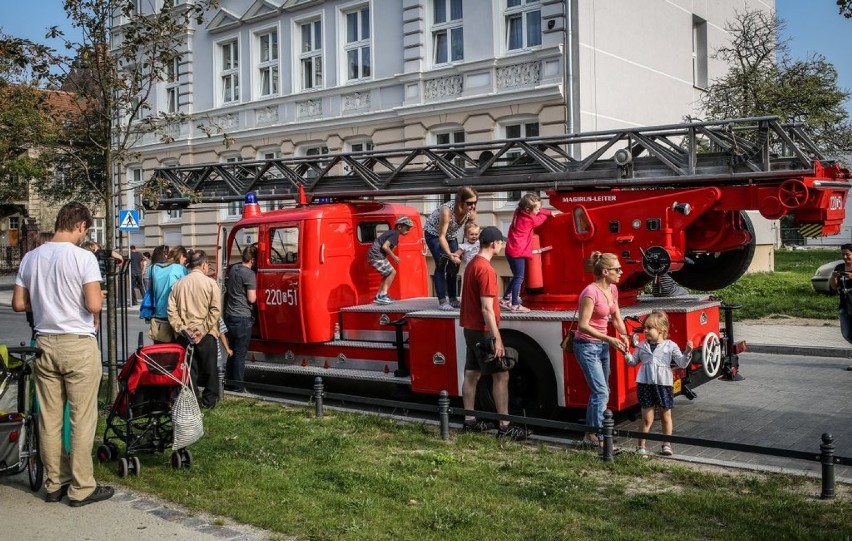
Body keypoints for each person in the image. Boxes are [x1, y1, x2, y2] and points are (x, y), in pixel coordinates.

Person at [12, 202, 114, 506]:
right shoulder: (83, 257)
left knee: (50, 418)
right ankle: (82, 486)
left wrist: (46, 304)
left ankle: (54, 482)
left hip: (44, 342)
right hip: (77, 342)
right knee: (82, 418)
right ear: (81, 226)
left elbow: (19, 304)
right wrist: (93, 297)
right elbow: (94, 305)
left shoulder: (31, 257)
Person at [459, 226, 530, 440]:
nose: (502, 245)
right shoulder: (487, 270)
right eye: (501, 242)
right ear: (494, 244)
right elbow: (486, 308)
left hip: (470, 329)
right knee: (501, 375)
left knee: (471, 375)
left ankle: (469, 421)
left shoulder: (472, 264)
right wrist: (496, 338)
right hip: (483, 331)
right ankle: (505, 427)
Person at [573, 251, 630, 453]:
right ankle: (599, 437)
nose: (621, 272)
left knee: (601, 391)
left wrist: (624, 335)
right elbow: (583, 325)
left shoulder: (612, 289)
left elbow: (616, 317)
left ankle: (590, 435)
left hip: (603, 345)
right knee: (601, 391)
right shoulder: (590, 292)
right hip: (587, 345)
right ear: (605, 272)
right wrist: (608, 338)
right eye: (617, 269)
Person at [625, 310, 693, 457]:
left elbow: (681, 363)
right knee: (647, 418)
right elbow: (632, 362)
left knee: (665, 416)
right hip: (645, 385)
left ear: (662, 330)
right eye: (645, 327)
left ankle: (666, 444)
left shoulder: (670, 345)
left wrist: (687, 352)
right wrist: (625, 352)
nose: (645, 331)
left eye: (649, 328)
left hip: (664, 385)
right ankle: (641, 447)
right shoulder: (642, 345)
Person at [168, 250, 222, 409]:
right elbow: (216, 310)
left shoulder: (178, 285)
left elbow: (171, 312)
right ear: (204, 265)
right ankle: (209, 401)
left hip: (185, 335)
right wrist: (203, 329)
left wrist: (183, 329)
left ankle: (193, 401)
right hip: (206, 334)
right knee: (211, 369)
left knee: (189, 371)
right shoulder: (211, 284)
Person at [423, 186, 478, 310]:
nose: (473, 206)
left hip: (450, 235)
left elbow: (469, 230)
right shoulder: (447, 211)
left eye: (475, 202)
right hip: (434, 234)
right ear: (460, 201)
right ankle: (442, 301)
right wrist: (449, 253)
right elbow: (441, 236)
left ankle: (453, 298)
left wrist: (467, 247)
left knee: (455, 264)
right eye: (469, 203)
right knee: (441, 263)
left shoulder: (471, 213)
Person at [501, 193, 552, 313]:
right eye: (537, 209)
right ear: (528, 210)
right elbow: (540, 220)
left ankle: (505, 299)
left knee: (516, 277)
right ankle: (515, 305)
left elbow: (537, 213)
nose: (539, 210)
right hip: (518, 253)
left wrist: (540, 210)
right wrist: (549, 214)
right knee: (519, 278)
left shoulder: (518, 212)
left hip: (510, 251)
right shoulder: (528, 220)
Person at [224, 245, 257, 393]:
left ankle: (228, 381)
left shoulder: (234, 269)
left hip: (230, 315)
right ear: (252, 260)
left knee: (231, 351)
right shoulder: (249, 274)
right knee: (239, 353)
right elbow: (251, 298)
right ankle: (238, 386)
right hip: (243, 317)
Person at [366, 216, 414, 304]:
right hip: (376, 255)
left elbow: (388, 248)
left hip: (374, 255)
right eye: (407, 228)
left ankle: (379, 296)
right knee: (392, 272)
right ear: (399, 227)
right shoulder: (394, 234)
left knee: (387, 273)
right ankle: (383, 295)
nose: (408, 231)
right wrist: (394, 257)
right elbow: (385, 246)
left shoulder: (393, 234)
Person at [148, 245, 188, 343]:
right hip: (175, 316)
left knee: (160, 351)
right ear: (181, 256)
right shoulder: (180, 269)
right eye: (185, 259)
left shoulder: (153, 268)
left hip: (158, 317)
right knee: (177, 352)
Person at [828, 243, 852, 371]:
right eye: (843, 254)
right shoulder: (840, 267)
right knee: (846, 333)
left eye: (847, 254)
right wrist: (834, 278)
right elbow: (833, 287)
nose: (845, 257)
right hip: (844, 304)